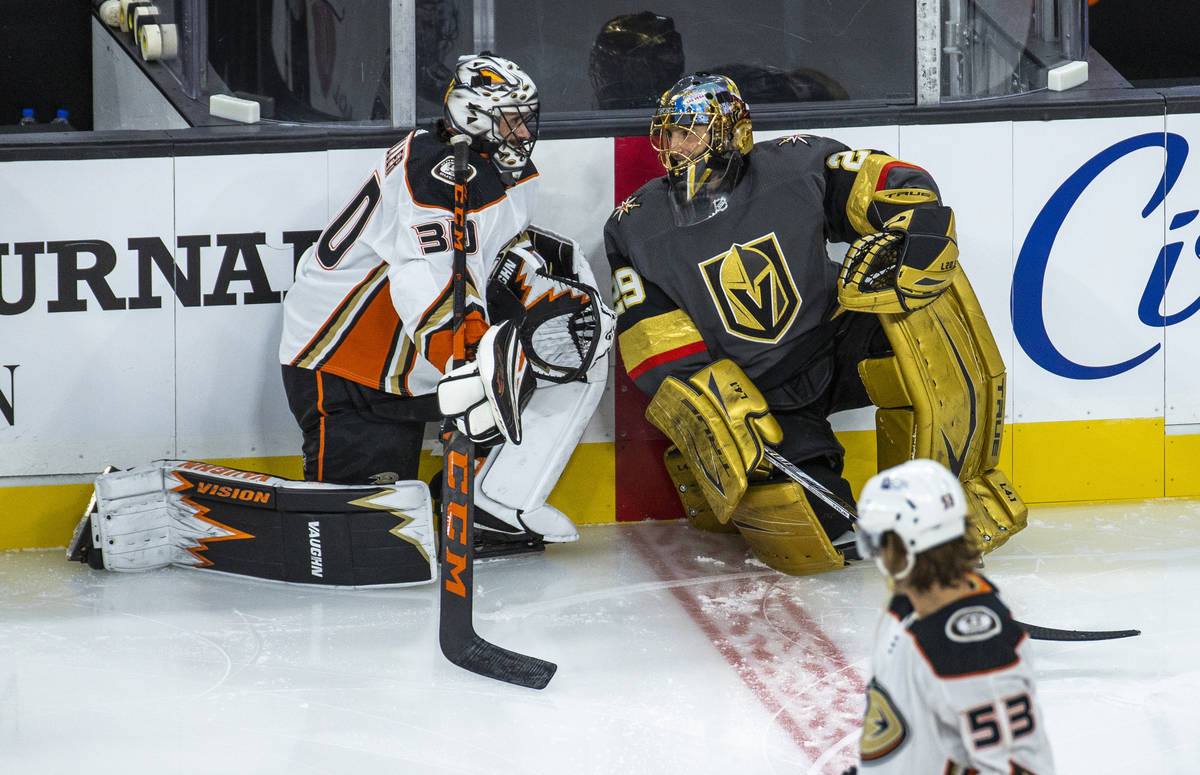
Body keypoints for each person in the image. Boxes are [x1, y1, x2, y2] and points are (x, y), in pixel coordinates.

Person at [604, 72, 1026, 576]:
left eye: (689, 131)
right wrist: (711, 405)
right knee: (812, 522)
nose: (675, 146)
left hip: (838, 344)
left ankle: (953, 492)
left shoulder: (797, 163)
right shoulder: (636, 224)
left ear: (733, 131)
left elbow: (897, 184)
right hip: (761, 396)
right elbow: (653, 341)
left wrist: (909, 234)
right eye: (668, 133)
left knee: (927, 312)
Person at [279, 51, 611, 551]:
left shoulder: (489, 165)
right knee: (365, 541)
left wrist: (538, 289)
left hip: (403, 357)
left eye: (526, 120)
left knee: (575, 340)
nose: (524, 134)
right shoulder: (442, 176)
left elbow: (493, 248)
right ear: (475, 117)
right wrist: (468, 365)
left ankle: (492, 503)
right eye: (512, 121)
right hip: (347, 364)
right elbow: (427, 281)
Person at [847, 458, 1055, 773]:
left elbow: (1014, 765)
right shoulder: (907, 603)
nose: (874, 555)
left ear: (906, 543)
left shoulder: (972, 643)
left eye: (876, 542)